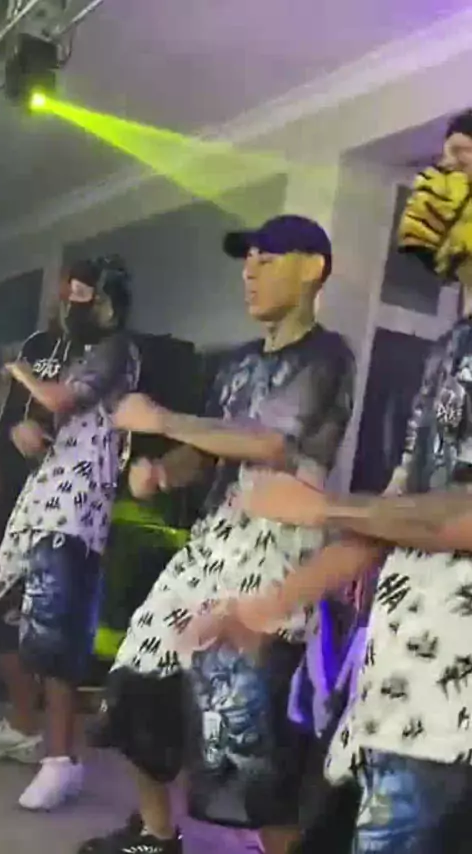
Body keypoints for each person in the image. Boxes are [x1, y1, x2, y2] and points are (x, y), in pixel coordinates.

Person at [194, 111, 472, 853]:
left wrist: (322, 507)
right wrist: (267, 604)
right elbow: (397, 511)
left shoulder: (330, 358)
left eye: (463, 164)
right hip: (409, 677)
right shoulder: (450, 348)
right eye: (443, 163)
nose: (439, 183)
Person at [78, 214, 355, 854]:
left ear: (312, 269)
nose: (249, 272)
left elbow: (270, 443)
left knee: (245, 737)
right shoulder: (236, 362)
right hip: (210, 544)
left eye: (267, 258)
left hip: (276, 550)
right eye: (247, 260)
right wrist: (162, 472)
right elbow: (207, 451)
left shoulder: (327, 356)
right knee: (133, 686)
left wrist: (163, 419)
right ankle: (156, 835)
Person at [0, 255, 140, 811]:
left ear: (105, 301)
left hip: (78, 505)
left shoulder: (116, 348)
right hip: (43, 494)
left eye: (79, 292)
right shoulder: (76, 352)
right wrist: (29, 432)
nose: (67, 301)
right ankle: (25, 726)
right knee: (3, 602)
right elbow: (56, 417)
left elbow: (62, 399)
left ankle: (62, 761)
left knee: (58, 629)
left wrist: (18, 369)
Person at [0, 279, 78, 763]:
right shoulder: (36, 345)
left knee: (26, 616)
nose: (62, 302)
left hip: (48, 500)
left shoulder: (96, 356)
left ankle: (36, 732)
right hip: (7, 491)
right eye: (60, 294)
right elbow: (10, 414)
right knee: (1, 612)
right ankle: (22, 722)